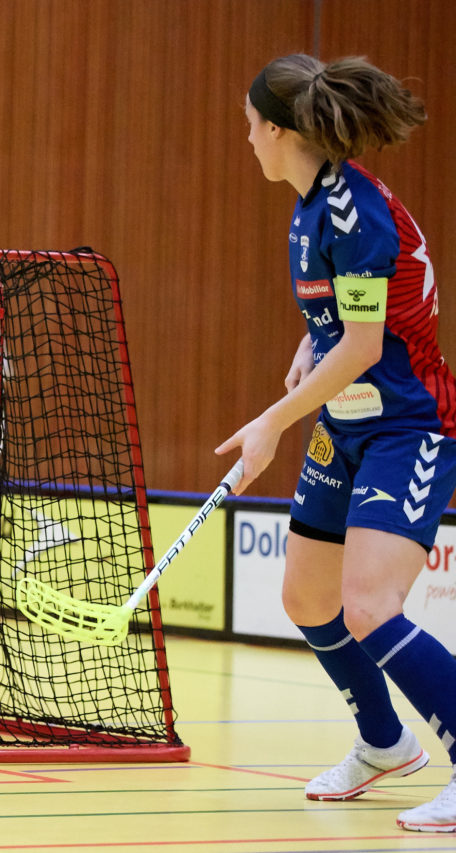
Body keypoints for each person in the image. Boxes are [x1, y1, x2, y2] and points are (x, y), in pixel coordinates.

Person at [215, 54, 456, 831]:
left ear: (279, 130)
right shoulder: (309, 205)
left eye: (251, 126)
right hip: (346, 424)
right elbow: (341, 327)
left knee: (369, 606)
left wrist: (270, 422)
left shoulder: (356, 213)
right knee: (307, 597)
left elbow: (362, 345)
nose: (246, 141)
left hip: (407, 424)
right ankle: (385, 744)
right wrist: (305, 344)